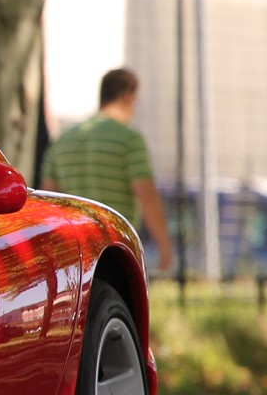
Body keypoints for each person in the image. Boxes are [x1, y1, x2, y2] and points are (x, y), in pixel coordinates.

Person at [42, 68, 173, 273]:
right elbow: (147, 196)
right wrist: (164, 248)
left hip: (73, 249)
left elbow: (47, 200)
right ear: (129, 97)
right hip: (115, 247)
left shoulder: (62, 141)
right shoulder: (128, 139)